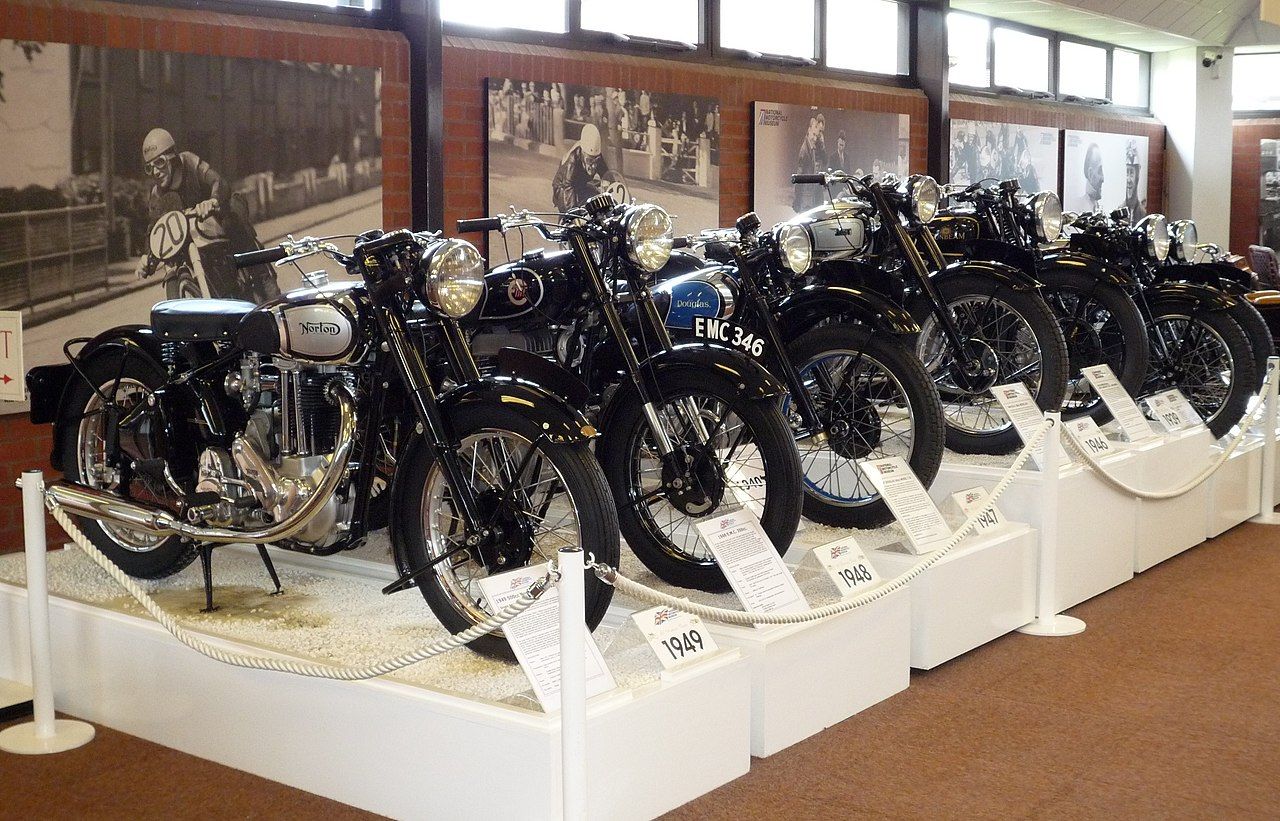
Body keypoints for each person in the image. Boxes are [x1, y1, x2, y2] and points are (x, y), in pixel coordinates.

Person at [135, 127, 278, 301]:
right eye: (150, 168)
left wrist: (213, 200)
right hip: (190, 234)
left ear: (172, 157)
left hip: (217, 217)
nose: (156, 171)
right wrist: (147, 257)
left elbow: (218, 181)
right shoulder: (157, 194)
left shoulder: (190, 162)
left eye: (160, 163)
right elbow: (155, 228)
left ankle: (262, 273)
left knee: (233, 215)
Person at [551, 123, 612, 211]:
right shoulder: (573, 159)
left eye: (595, 160)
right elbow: (568, 186)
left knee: (596, 201)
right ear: (583, 153)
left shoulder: (596, 155)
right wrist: (573, 213)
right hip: (563, 187)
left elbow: (607, 175)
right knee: (570, 216)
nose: (593, 164)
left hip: (580, 185)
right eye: (589, 160)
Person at [1123, 140, 1146, 220]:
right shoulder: (1119, 212)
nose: (1128, 180)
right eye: (1127, 173)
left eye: (1132, 173)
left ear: (1138, 176)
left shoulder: (1143, 214)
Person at [1080, 143, 1105, 213]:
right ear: (1090, 174)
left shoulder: (1096, 206)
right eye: (1099, 171)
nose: (1103, 179)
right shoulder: (1079, 208)